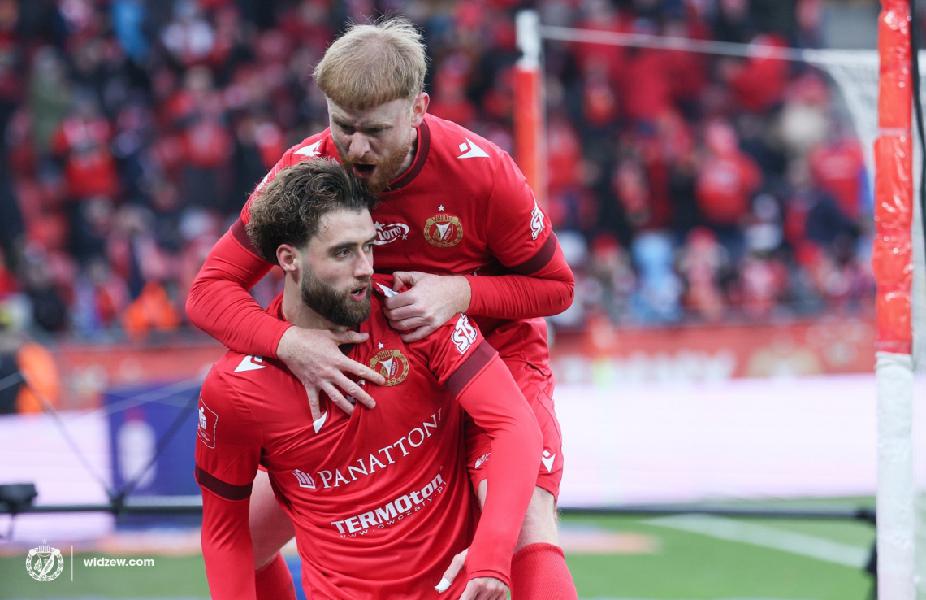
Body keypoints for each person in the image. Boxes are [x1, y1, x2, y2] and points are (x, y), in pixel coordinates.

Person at [186, 18, 577, 599]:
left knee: (526, 521)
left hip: (487, 356)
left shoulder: (482, 170)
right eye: (342, 126)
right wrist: (290, 343)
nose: (355, 148)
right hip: (370, 364)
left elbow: (556, 288)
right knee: (242, 536)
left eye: (374, 131)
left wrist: (462, 293)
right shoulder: (304, 175)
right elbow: (208, 291)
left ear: (418, 110)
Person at [196, 159, 542, 599]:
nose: (364, 267)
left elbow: (515, 425)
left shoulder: (417, 316)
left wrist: (491, 556)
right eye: (343, 252)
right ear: (289, 259)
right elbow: (227, 536)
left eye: (369, 246)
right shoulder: (235, 388)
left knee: (540, 520)